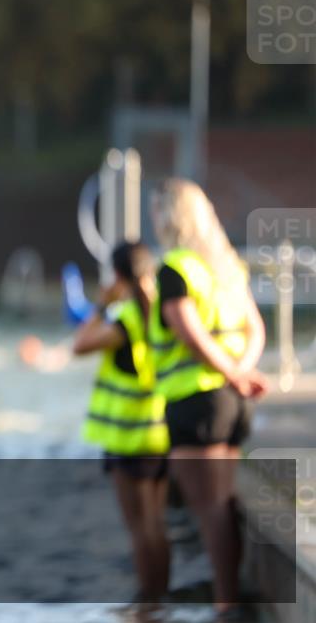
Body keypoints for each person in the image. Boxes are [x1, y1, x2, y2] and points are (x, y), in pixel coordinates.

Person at [149, 178, 268, 619]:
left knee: (209, 507)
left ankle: (226, 603)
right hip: (231, 401)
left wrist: (233, 373)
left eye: (156, 209)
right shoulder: (226, 267)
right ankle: (231, 594)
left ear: (169, 216)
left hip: (195, 402)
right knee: (222, 498)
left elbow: (190, 334)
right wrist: (242, 374)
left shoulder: (174, 269)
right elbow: (255, 328)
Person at [74, 242, 170, 606]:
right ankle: (163, 600)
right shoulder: (162, 310)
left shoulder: (126, 318)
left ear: (116, 276)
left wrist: (101, 303)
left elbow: (79, 344)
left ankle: (149, 601)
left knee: (140, 529)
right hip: (160, 431)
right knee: (157, 524)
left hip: (128, 437)